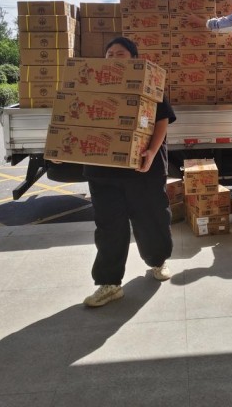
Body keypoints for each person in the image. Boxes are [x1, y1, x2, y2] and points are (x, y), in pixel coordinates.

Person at [82, 36, 177, 308]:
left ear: (134, 58)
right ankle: (109, 283)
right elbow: (77, 120)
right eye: (109, 53)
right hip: (103, 171)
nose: (113, 57)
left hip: (142, 168)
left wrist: (150, 152)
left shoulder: (148, 82)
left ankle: (158, 262)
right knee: (109, 227)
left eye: (120, 53)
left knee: (151, 218)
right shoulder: (93, 84)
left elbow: (162, 120)